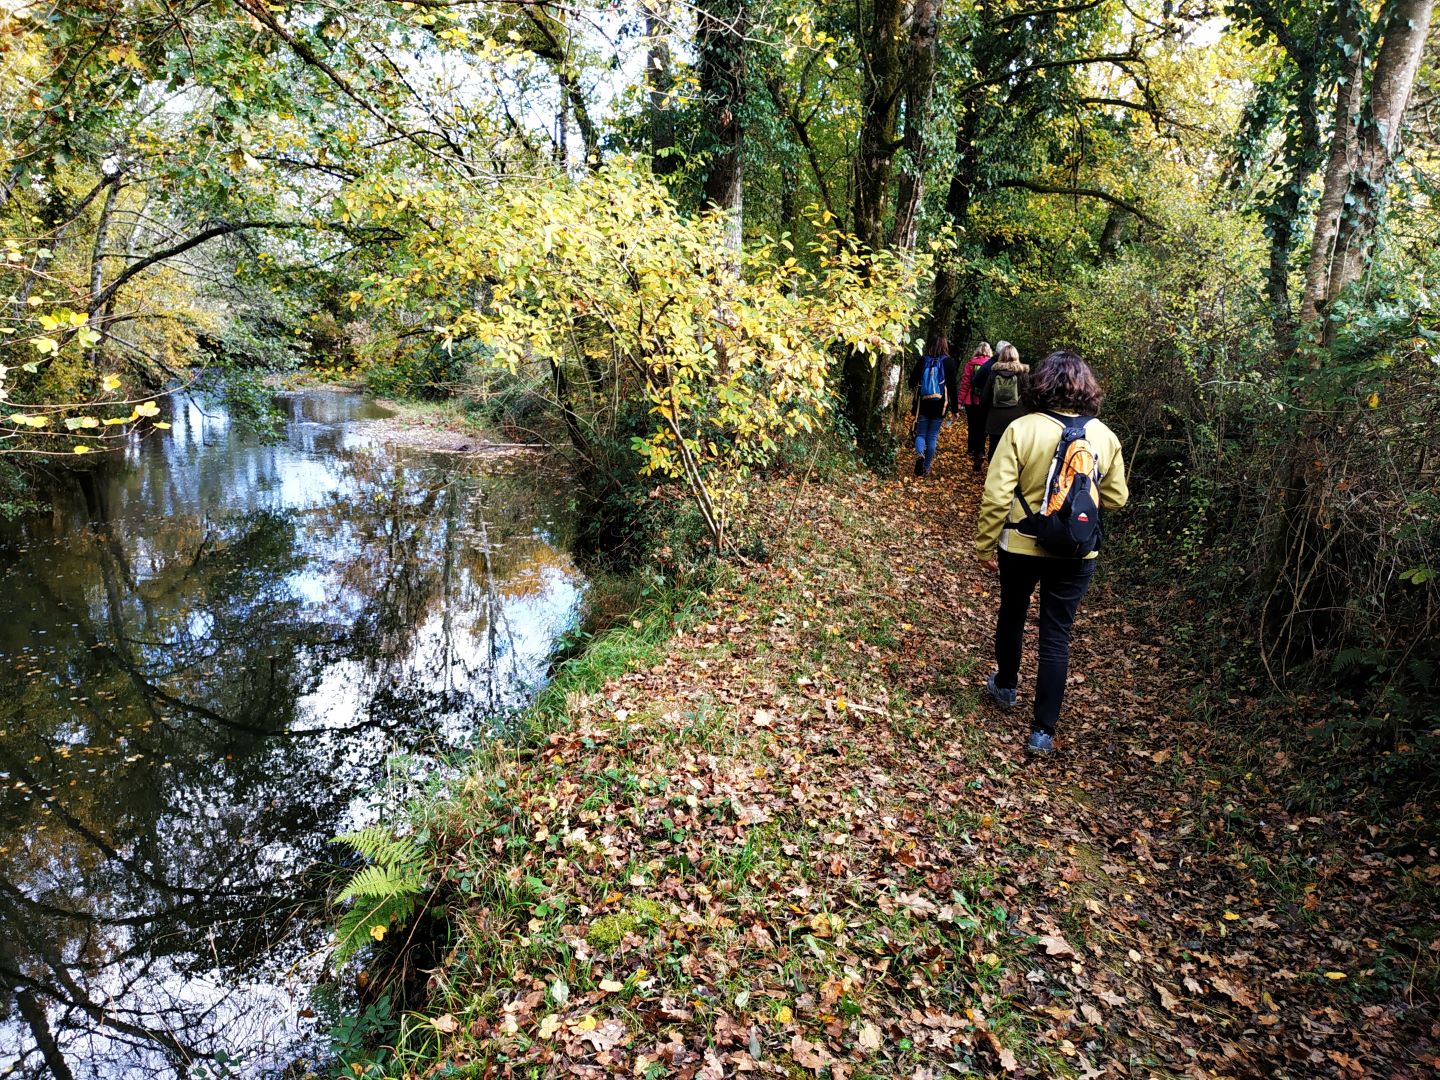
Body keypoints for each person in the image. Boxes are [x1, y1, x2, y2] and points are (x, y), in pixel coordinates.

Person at [974, 349, 1129, 754]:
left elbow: (996, 495)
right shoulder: (1105, 437)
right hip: (1077, 552)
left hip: (1021, 543)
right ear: (1087, 388)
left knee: (1012, 611)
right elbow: (1115, 499)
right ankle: (1042, 730)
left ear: (1041, 384)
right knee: (1056, 636)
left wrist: (985, 543)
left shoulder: (1022, 429)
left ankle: (1006, 686)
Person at [907, 333, 959, 477]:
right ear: (945, 346)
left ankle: (919, 454)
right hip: (940, 405)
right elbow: (953, 388)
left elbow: (911, 383)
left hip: (922, 404)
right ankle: (926, 468)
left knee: (921, 434)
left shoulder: (923, 360)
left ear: (930, 345)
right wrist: (955, 409)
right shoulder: (949, 362)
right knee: (932, 437)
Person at [981, 342, 1028, 464]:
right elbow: (1029, 397)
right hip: (1017, 419)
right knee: (1014, 449)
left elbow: (984, 398)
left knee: (994, 448)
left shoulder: (993, 373)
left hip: (995, 418)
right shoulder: (1023, 374)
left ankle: (993, 475)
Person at [958, 342, 993, 471]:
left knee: (972, 425)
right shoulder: (992, 365)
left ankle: (972, 449)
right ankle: (980, 451)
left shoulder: (971, 363)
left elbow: (965, 383)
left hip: (970, 400)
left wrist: (959, 401)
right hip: (985, 401)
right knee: (983, 427)